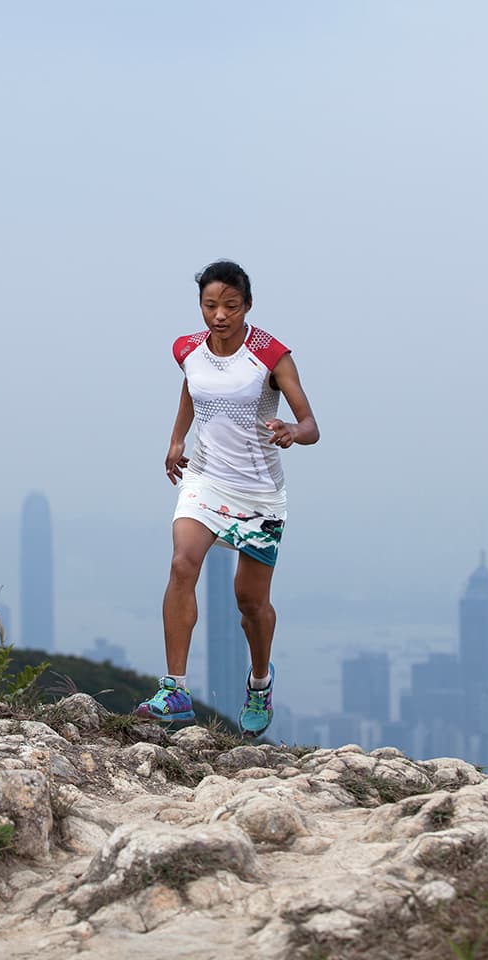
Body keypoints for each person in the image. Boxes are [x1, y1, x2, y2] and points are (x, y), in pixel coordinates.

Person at [134, 260, 319, 738]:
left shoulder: (270, 355)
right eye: (210, 305)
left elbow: (311, 426)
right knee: (182, 563)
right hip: (206, 477)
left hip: (258, 491)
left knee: (249, 603)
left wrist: (291, 432)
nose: (220, 315)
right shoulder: (187, 350)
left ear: (247, 307)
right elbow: (192, 392)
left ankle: (259, 682)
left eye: (230, 306)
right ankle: (174, 690)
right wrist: (177, 440)